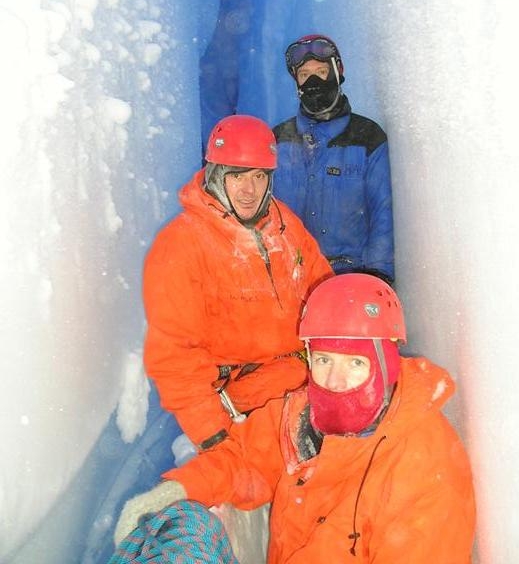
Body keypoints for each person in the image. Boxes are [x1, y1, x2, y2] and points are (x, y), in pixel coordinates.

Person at [115, 274, 476, 562]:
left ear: (387, 363)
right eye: (323, 361)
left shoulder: (426, 470)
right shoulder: (301, 417)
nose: (335, 382)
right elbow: (242, 461)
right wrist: (179, 489)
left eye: (355, 363)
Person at [143, 113, 333, 452]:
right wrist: (213, 435)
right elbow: (175, 357)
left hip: (299, 381)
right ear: (217, 176)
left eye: (259, 176)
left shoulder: (284, 226)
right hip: (238, 402)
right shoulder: (182, 245)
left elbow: (324, 293)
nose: (249, 190)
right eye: (237, 176)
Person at [273, 34, 394, 283]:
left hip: (350, 281)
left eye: (321, 71)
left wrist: (376, 276)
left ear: (338, 73)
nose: (314, 81)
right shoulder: (277, 140)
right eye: (305, 75)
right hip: (289, 282)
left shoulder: (367, 138)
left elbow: (383, 212)